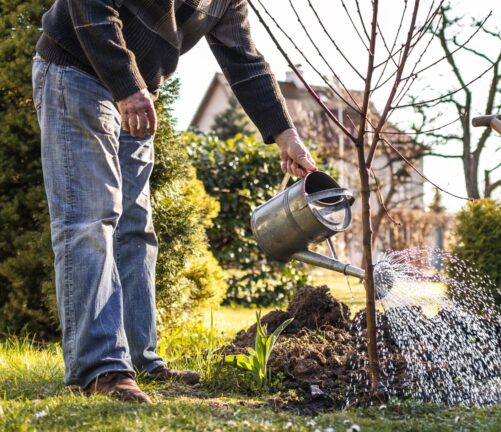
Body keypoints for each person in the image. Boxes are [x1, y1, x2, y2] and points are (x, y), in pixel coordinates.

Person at [32, 0, 317, 404]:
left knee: (135, 228)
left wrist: (285, 135)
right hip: (77, 69)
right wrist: (126, 87)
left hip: (137, 89)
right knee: (90, 220)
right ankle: (100, 368)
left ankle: (141, 359)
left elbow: (245, 60)